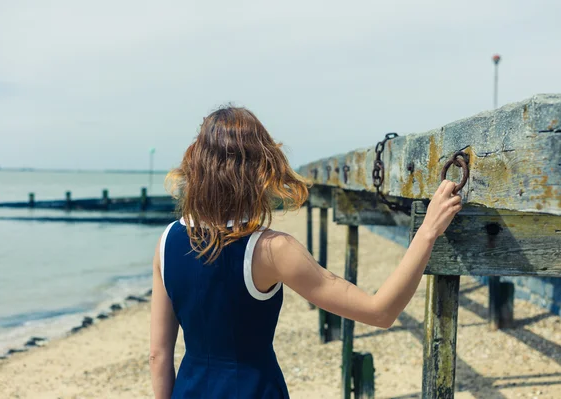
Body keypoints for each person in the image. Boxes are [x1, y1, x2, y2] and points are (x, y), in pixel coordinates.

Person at [149, 107, 462, 399]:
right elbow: (380, 311)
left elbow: (158, 355)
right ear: (260, 169)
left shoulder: (167, 241)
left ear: (197, 166)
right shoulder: (272, 249)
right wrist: (427, 231)